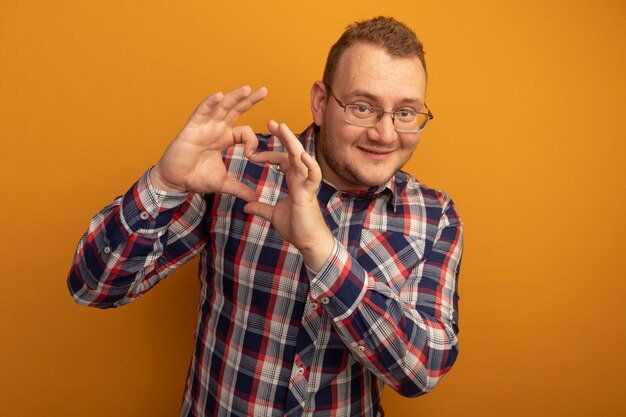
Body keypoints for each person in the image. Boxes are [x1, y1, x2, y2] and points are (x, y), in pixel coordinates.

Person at [68, 16, 463, 417]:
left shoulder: (434, 216)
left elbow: (421, 372)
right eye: (362, 107)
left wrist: (321, 252)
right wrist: (165, 183)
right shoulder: (236, 169)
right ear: (321, 103)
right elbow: (94, 286)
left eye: (406, 112)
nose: (385, 133)